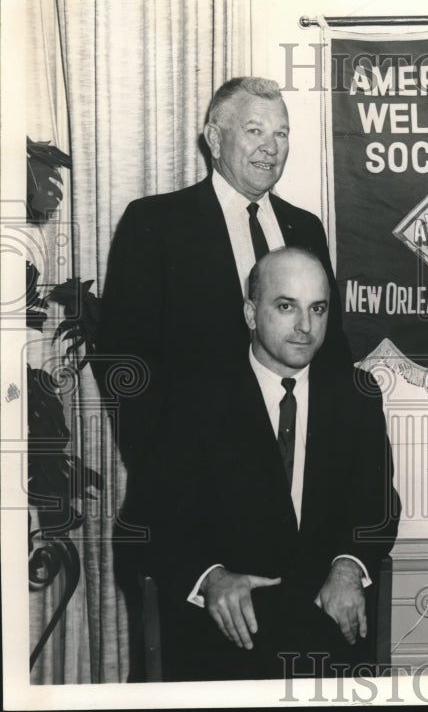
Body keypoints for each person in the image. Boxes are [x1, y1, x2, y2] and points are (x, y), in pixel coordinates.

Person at [97, 76, 355, 677]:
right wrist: (161, 463)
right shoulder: (156, 223)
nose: (271, 147)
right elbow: (123, 361)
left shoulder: (305, 229)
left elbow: (333, 359)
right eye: (254, 130)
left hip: (294, 529)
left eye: (282, 133)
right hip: (194, 515)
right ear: (214, 138)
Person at [146, 247, 400, 681]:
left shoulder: (356, 393)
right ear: (250, 312)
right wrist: (210, 578)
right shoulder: (194, 397)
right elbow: (153, 517)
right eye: (286, 307)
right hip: (227, 637)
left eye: (317, 309)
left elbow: (377, 504)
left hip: (325, 626)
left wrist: (347, 567)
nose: (305, 327)